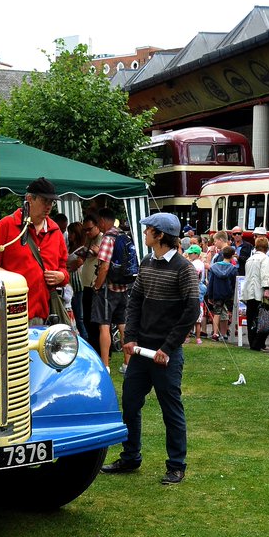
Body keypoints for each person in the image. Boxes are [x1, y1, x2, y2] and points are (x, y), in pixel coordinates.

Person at [102, 212, 199, 485]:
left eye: (148, 230)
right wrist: (130, 338)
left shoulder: (184, 269)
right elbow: (135, 302)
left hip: (166, 354)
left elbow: (191, 311)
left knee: (171, 409)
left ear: (159, 235)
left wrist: (168, 348)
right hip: (141, 349)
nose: (144, 234)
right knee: (130, 404)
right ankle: (131, 457)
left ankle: (176, 465)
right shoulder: (146, 262)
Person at [0, 177, 69, 325]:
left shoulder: (55, 231)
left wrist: (61, 276)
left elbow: (64, 269)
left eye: (51, 202)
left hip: (44, 316)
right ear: (29, 199)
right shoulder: (7, 226)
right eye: (44, 201)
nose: (49, 206)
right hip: (11, 314)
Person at [91, 208, 133, 370]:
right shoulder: (124, 235)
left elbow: (104, 267)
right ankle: (127, 363)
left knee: (104, 325)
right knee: (123, 325)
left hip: (108, 289)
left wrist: (97, 285)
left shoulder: (108, 238)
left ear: (102, 220)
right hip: (123, 287)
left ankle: (105, 365)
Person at [76, 215, 104, 354]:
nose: (87, 232)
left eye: (89, 229)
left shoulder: (103, 239)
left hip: (95, 285)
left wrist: (98, 252)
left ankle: (99, 349)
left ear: (97, 226)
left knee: (94, 321)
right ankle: (93, 347)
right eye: (85, 230)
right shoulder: (89, 239)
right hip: (86, 285)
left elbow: (106, 261)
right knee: (87, 319)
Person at [242, 236, 269, 351]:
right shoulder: (265, 259)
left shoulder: (250, 259)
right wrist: (267, 289)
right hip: (259, 293)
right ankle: (259, 343)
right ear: (267, 247)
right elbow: (265, 275)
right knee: (264, 319)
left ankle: (252, 343)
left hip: (249, 292)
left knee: (251, 319)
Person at [205, 246, 239, 341]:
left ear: (222, 255)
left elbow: (211, 282)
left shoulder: (214, 266)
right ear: (232, 256)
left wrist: (210, 295)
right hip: (229, 294)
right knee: (228, 313)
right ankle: (224, 333)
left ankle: (215, 333)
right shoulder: (233, 268)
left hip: (217, 293)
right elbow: (234, 283)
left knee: (217, 313)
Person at [185, 244, 206, 345]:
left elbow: (196, 275)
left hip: (195, 289)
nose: (189, 254)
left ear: (196, 254)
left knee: (190, 318)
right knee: (198, 320)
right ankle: (197, 338)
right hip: (200, 290)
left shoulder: (195, 264)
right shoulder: (200, 263)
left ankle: (188, 337)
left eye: (190, 253)